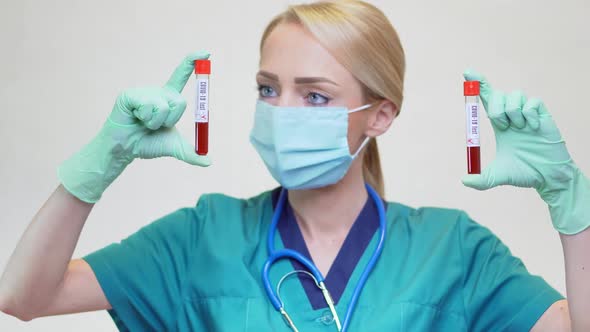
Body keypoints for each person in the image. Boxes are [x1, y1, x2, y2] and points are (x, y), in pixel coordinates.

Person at [1, 1, 588, 331]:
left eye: (314, 96)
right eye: (267, 88)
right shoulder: (201, 237)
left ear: (379, 115)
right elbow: (24, 296)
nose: (282, 112)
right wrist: (95, 168)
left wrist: (568, 201)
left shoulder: (453, 251)